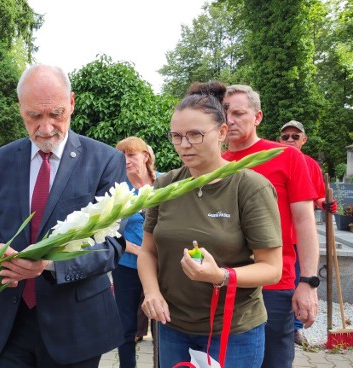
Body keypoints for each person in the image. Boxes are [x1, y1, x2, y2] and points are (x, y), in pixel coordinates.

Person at [0, 64, 126, 367]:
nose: (46, 127)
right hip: (8, 324)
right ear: (20, 109)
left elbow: (111, 246)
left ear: (72, 103)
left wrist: (48, 264)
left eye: (56, 114)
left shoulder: (105, 161)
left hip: (75, 327)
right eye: (34, 116)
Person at [138, 82, 282, 367]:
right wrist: (152, 292)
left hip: (232, 330)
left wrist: (222, 276)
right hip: (172, 326)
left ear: (222, 133)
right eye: (177, 136)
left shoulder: (249, 187)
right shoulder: (165, 185)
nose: (184, 145)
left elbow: (272, 268)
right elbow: (148, 251)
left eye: (195, 134)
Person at [222, 85, 319, 368]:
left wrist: (309, 282)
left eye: (239, 112)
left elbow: (304, 221)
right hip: (223, 279)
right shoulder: (213, 163)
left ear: (258, 117)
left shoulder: (287, 157)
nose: (230, 119)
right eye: (225, 112)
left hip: (273, 284)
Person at [279, 120, 337, 345]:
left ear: (304, 140)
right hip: (277, 236)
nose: (290, 140)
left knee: (299, 283)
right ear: (279, 139)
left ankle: (294, 328)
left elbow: (318, 196)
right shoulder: (272, 158)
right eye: (286, 136)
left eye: (295, 136)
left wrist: (326, 204)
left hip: (300, 238)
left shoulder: (311, 165)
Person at [113, 136, 156, 368]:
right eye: (122, 156)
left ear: (145, 156)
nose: (126, 160)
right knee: (126, 326)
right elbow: (110, 232)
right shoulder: (119, 191)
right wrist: (138, 251)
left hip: (161, 267)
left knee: (162, 322)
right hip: (127, 266)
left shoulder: (163, 182)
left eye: (131, 155)